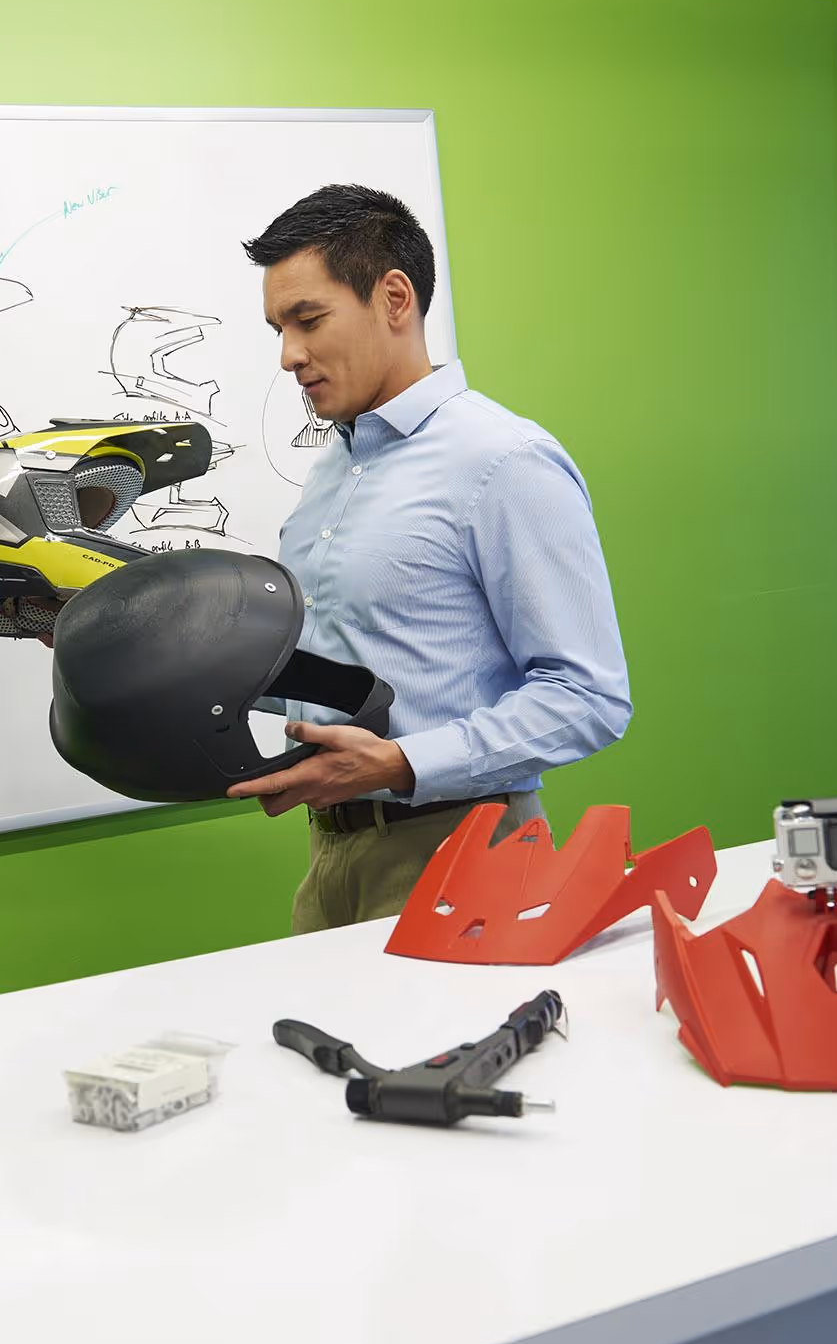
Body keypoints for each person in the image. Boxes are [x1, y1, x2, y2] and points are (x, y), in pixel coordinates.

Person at [230, 184, 632, 934]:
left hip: (466, 852)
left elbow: (589, 697)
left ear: (393, 298)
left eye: (308, 320)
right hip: (330, 859)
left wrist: (403, 764)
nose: (289, 356)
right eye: (279, 329)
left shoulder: (504, 461)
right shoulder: (331, 473)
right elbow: (337, 677)